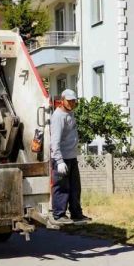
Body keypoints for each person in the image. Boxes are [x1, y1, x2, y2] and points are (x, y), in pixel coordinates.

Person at [49, 89, 91, 225]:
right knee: (62, 187)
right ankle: (59, 214)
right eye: (69, 101)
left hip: (71, 157)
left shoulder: (70, 113)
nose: (72, 103)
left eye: (74, 101)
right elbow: (54, 142)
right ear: (62, 100)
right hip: (61, 158)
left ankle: (76, 214)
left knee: (74, 187)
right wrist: (59, 161)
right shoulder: (58, 116)